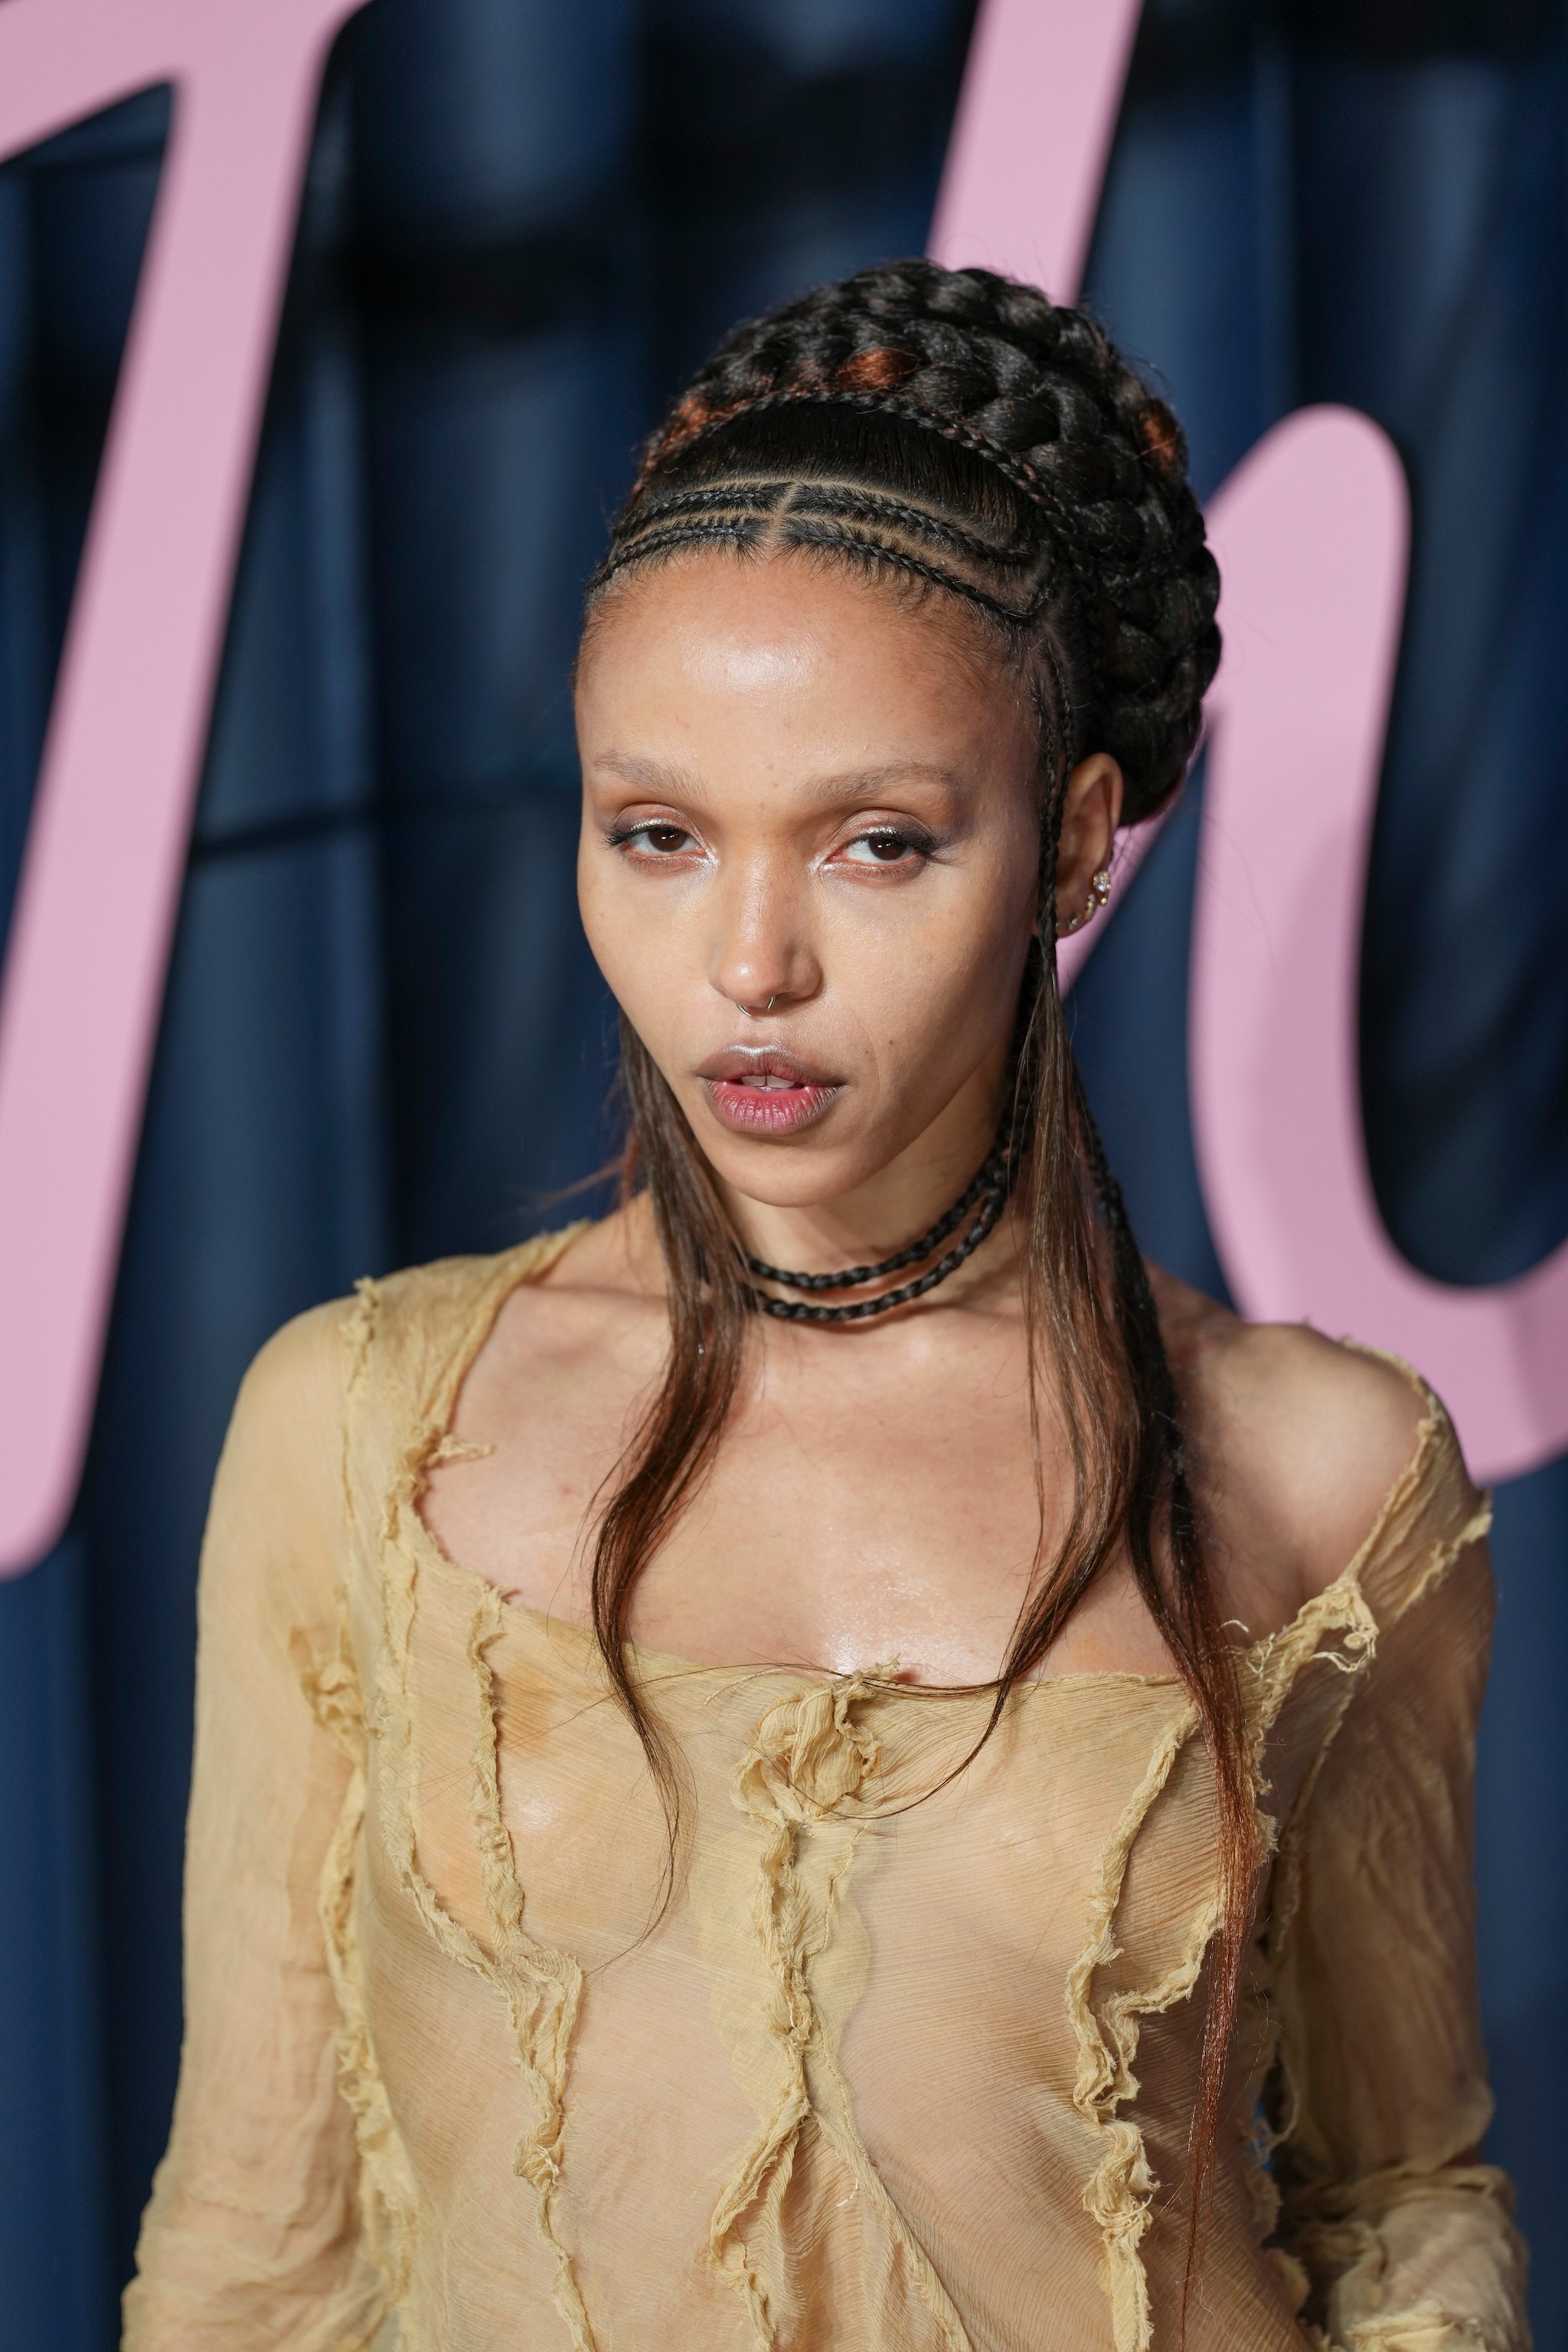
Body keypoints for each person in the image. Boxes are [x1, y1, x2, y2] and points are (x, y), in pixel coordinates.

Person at [123, 261, 1527, 2352]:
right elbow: (256, 2248)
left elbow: (1404, 2194)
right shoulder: (362, 1426)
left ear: (1071, 841)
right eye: (659, 835)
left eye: (876, 843)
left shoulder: (1321, 1468)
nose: (750, 964)